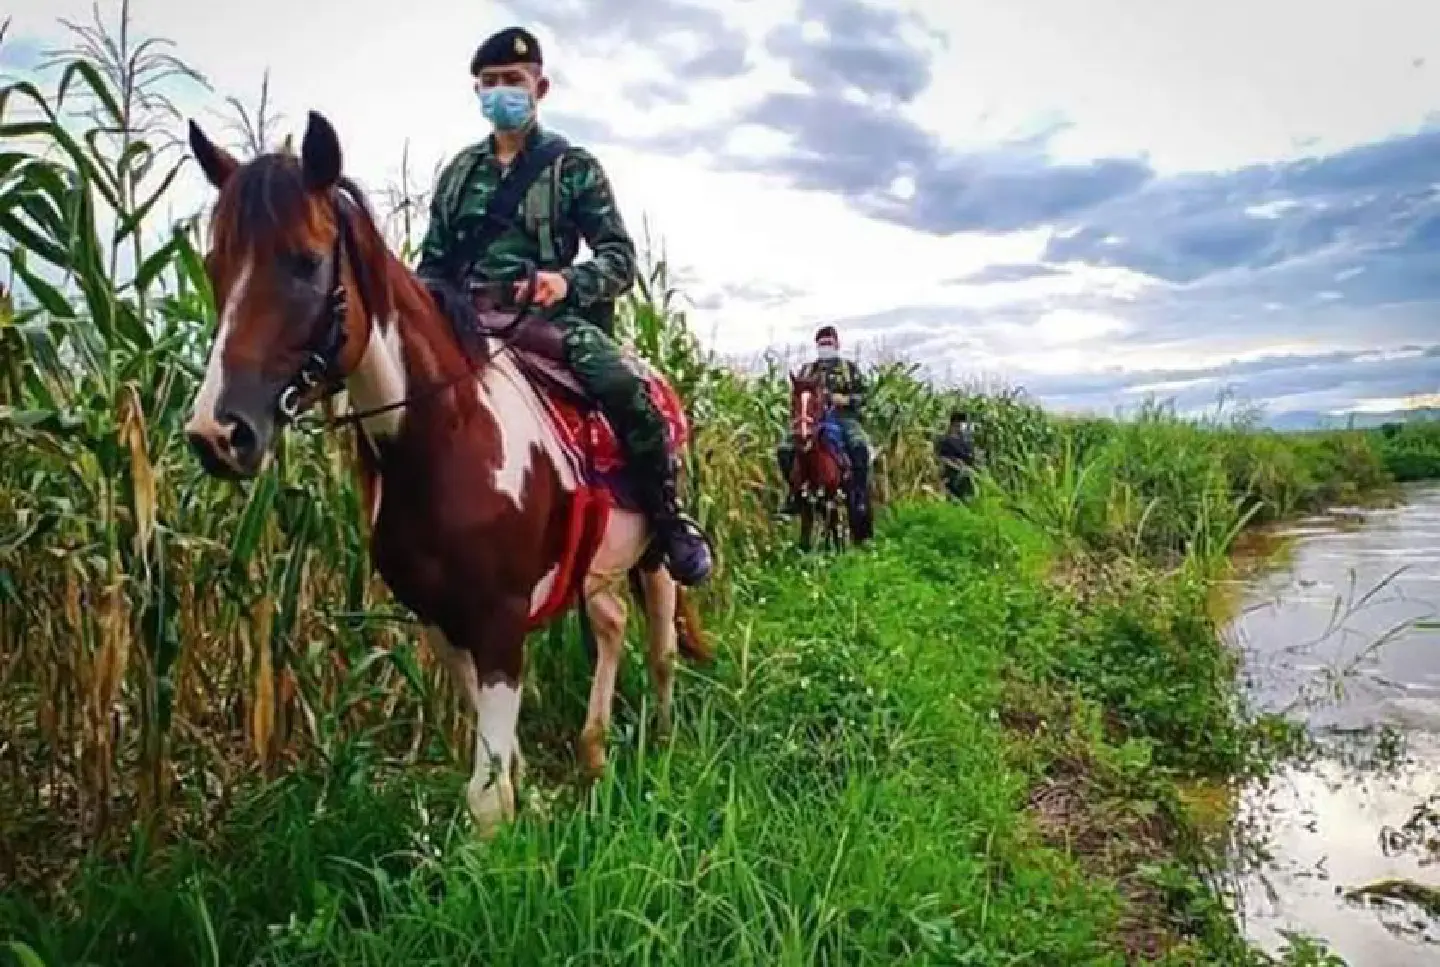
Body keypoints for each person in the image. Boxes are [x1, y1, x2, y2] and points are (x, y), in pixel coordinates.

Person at [415, 26, 712, 586]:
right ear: (476, 91)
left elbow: (619, 258)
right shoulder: (457, 175)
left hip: (545, 321)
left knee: (623, 386)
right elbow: (432, 264)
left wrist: (568, 282)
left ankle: (667, 520)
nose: (501, 92)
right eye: (489, 82)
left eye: (513, 80)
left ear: (540, 87)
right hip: (465, 317)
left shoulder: (573, 168)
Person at [776, 326, 873, 523]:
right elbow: (796, 396)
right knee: (784, 449)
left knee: (859, 446)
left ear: (837, 344)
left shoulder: (848, 369)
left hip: (843, 417)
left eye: (828, 343)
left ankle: (859, 496)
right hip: (813, 420)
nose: (825, 347)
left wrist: (845, 400)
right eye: (821, 344)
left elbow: (864, 396)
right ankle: (794, 493)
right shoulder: (807, 370)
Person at [935, 409, 979, 501]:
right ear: (953, 424)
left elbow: (970, 455)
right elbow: (941, 458)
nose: (960, 426)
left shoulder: (964, 440)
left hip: (966, 470)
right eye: (959, 424)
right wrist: (956, 466)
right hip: (952, 472)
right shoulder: (945, 440)